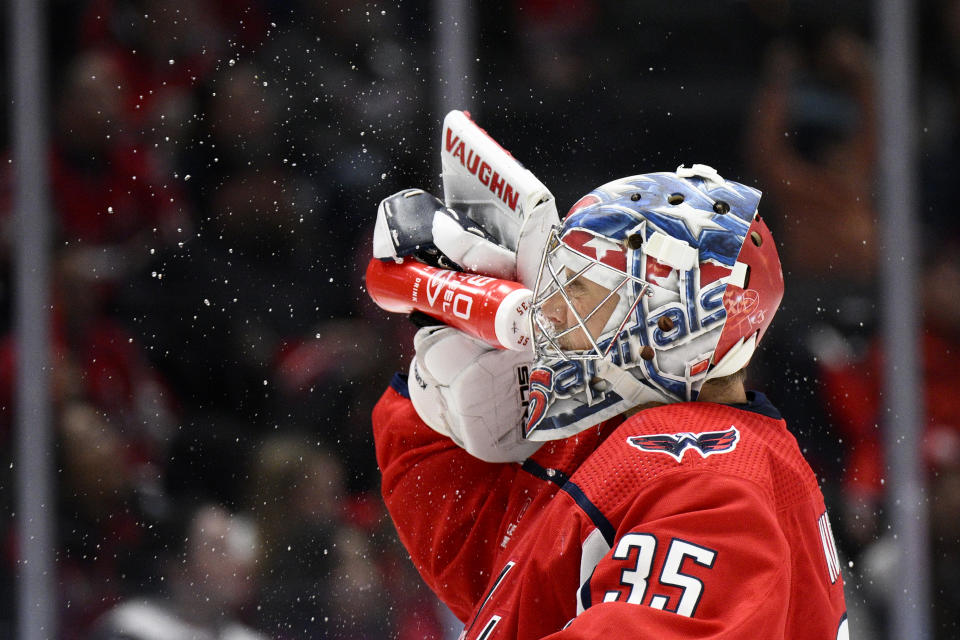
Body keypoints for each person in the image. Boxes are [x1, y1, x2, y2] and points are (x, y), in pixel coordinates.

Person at [370, 164, 849, 638]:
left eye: (579, 288)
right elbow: (481, 563)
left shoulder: (711, 484)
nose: (549, 311)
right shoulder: (627, 438)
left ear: (670, 322)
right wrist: (443, 383)